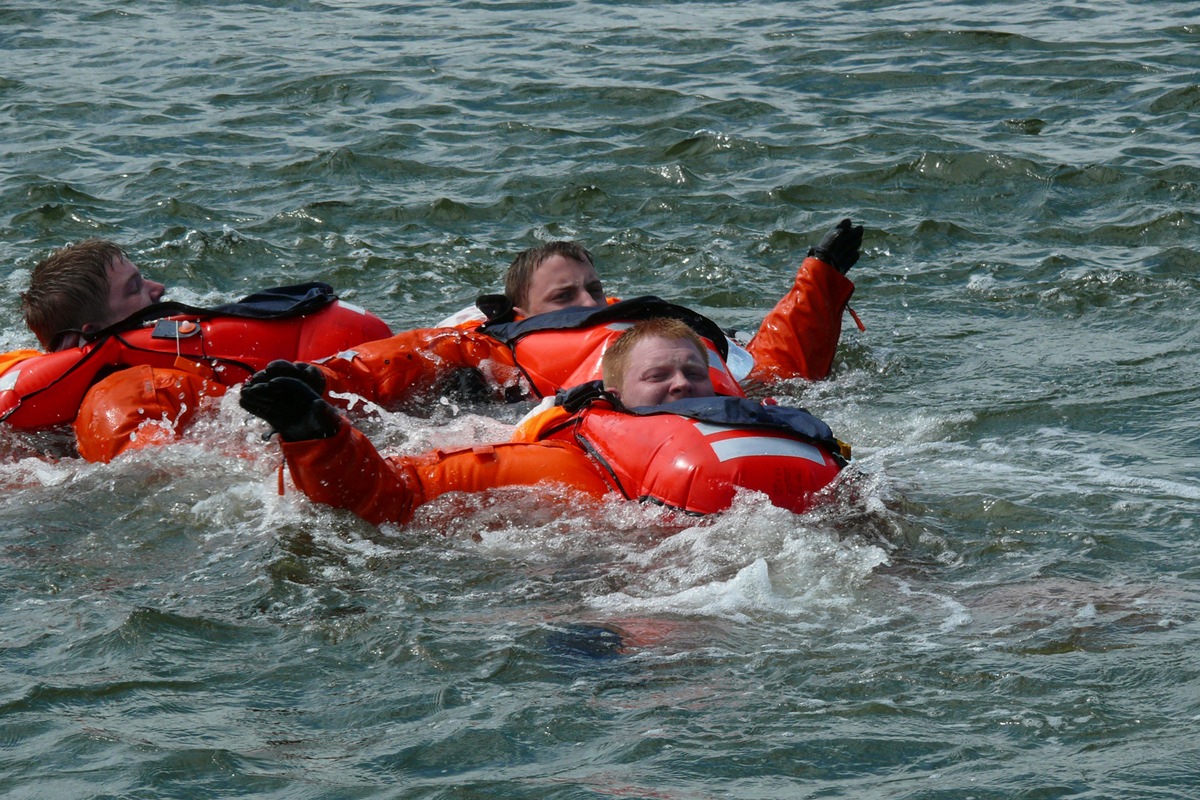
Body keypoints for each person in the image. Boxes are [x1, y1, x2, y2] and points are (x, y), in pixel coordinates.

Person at [238, 318, 849, 528]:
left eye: (692, 372)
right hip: (617, 586)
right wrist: (312, 430)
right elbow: (389, 498)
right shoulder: (560, 460)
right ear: (610, 393)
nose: (682, 384)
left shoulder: (783, 429)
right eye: (658, 376)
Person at [304, 218, 864, 411]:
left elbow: (774, 369)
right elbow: (400, 359)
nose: (587, 306)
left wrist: (821, 275)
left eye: (594, 290)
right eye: (564, 296)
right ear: (522, 311)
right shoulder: (492, 342)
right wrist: (322, 380)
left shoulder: (657, 332)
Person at [3, 239, 393, 462]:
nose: (158, 289)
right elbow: (163, 466)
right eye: (135, 288)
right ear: (89, 336)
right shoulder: (123, 396)